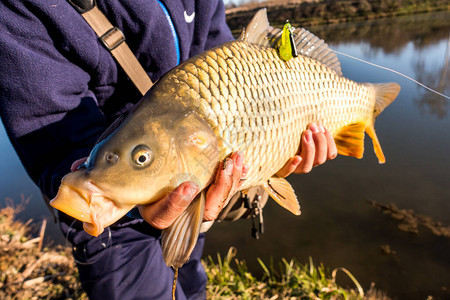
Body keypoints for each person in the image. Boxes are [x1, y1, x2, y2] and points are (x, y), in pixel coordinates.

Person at [0, 0, 337, 299]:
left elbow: (223, 60)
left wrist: (278, 153)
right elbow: (48, 128)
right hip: (110, 224)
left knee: (192, 284)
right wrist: (125, 197)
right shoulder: (21, 8)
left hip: (190, 188)